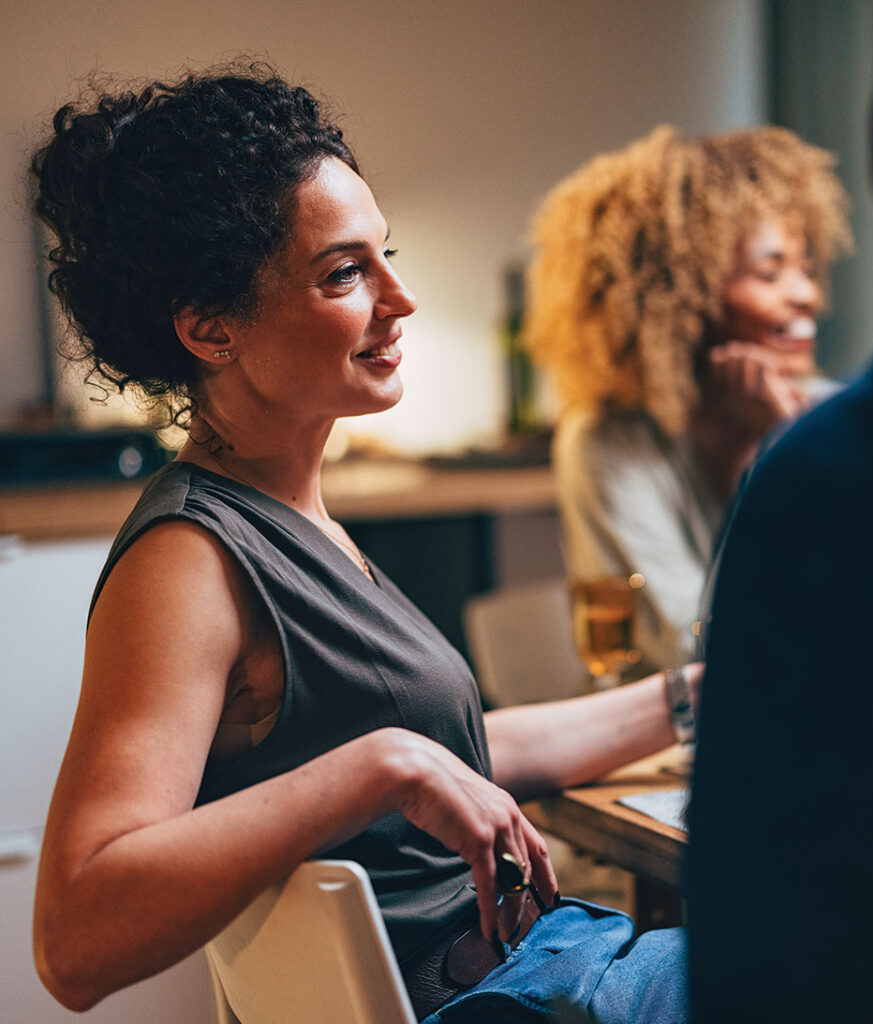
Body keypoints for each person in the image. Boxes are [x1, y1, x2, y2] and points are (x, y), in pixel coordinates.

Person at [29, 65, 697, 1024]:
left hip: (544, 965)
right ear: (209, 328)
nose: (403, 297)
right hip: (513, 994)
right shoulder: (189, 559)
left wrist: (683, 700)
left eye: (387, 254)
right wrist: (383, 765)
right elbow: (74, 937)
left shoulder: (295, 516)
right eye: (345, 272)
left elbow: (444, 752)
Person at [686, 1, 873, 1020]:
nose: (803, 295)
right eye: (769, 269)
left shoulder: (827, 467)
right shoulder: (801, 459)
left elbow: (745, 922)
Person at [524, 127, 851, 676]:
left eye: (806, 268)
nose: (808, 294)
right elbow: (695, 656)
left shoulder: (830, 414)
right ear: (679, 295)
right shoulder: (609, 443)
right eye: (770, 272)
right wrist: (755, 460)